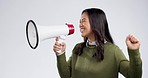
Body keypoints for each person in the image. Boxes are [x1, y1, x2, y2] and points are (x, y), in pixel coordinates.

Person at [53, 8, 142, 78]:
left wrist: (134, 51)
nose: (80, 25)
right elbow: (66, 75)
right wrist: (60, 54)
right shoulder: (78, 48)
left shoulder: (113, 51)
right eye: (80, 21)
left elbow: (134, 76)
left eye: (83, 21)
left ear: (95, 22)